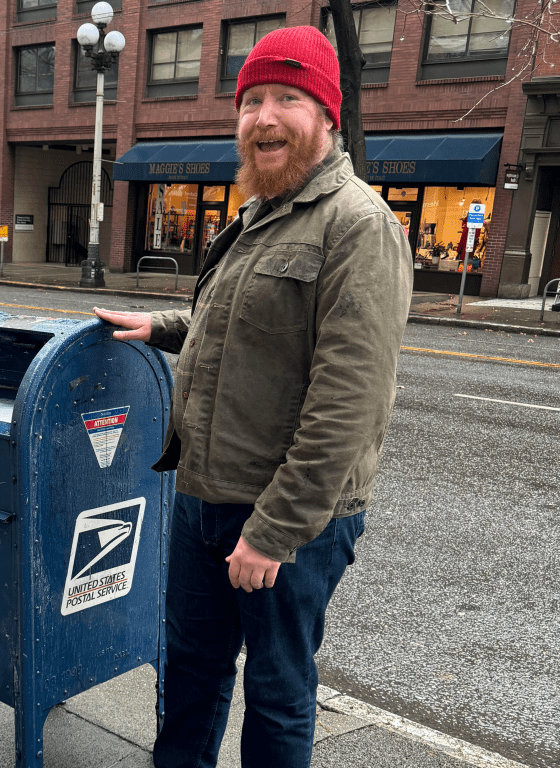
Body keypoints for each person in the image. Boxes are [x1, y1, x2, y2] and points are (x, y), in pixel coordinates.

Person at [94, 26, 413, 768]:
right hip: (203, 492)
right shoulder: (258, 214)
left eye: (288, 99)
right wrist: (163, 325)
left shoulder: (358, 226)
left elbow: (348, 402)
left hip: (285, 515)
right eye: (253, 101)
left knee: (276, 691)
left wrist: (274, 531)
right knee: (192, 669)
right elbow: (238, 325)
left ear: (327, 117)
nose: (264, 117)